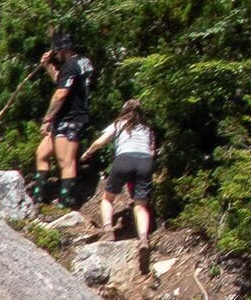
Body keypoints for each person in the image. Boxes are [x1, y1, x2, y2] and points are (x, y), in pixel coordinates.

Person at [34, 27, 98, 195]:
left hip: (70, 118)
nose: (56, 56)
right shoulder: (84, 62)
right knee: (42, 153)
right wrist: (47, 65)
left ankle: (65, 203)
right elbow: (62, 81)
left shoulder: (70, 66)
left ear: (63, 50)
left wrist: (47, 118)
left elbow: (61, 93)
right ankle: (39, 196)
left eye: (56, 52)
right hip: (66, 117)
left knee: (66, 162)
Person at [94, 100, 159, 242]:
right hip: (145, 161)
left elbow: (100, 142)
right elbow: (152, 152)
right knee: (140, 205)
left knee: (107, 199)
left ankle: (107, 230)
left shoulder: (119, 123)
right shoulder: (147, 129)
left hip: (124, 158)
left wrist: (87, 152)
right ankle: (143, 239)